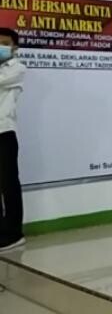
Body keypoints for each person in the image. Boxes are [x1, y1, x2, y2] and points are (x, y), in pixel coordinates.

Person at [0, 27, 27, 253]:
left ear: (14, 47)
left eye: (4, 43)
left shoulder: (17, 68)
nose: (0, 47)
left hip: (4, 132)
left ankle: (14, 234)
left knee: (9, 184)